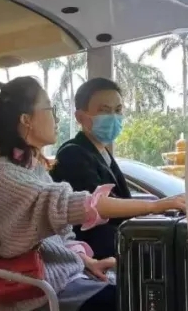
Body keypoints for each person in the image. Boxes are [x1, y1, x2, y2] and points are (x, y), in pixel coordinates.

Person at [0, 76, 185, 311]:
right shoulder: (5, 175)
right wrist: (157, 205)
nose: (56, 118)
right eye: (50, 109)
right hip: (37, 292)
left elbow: (60, 237)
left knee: (157, 286)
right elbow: (78, 204)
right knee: (153, 298)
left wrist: (88, 262)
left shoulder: (33, 169)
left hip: (64, 278)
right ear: (26, 119)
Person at [50, 77, 133, 260]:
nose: (114, 117)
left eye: (118, 110)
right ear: (80, 117)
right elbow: (98, 207)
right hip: (93, 252)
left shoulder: (102, 153)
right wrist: (155, 206)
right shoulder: (72, 154)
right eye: (104, 110)